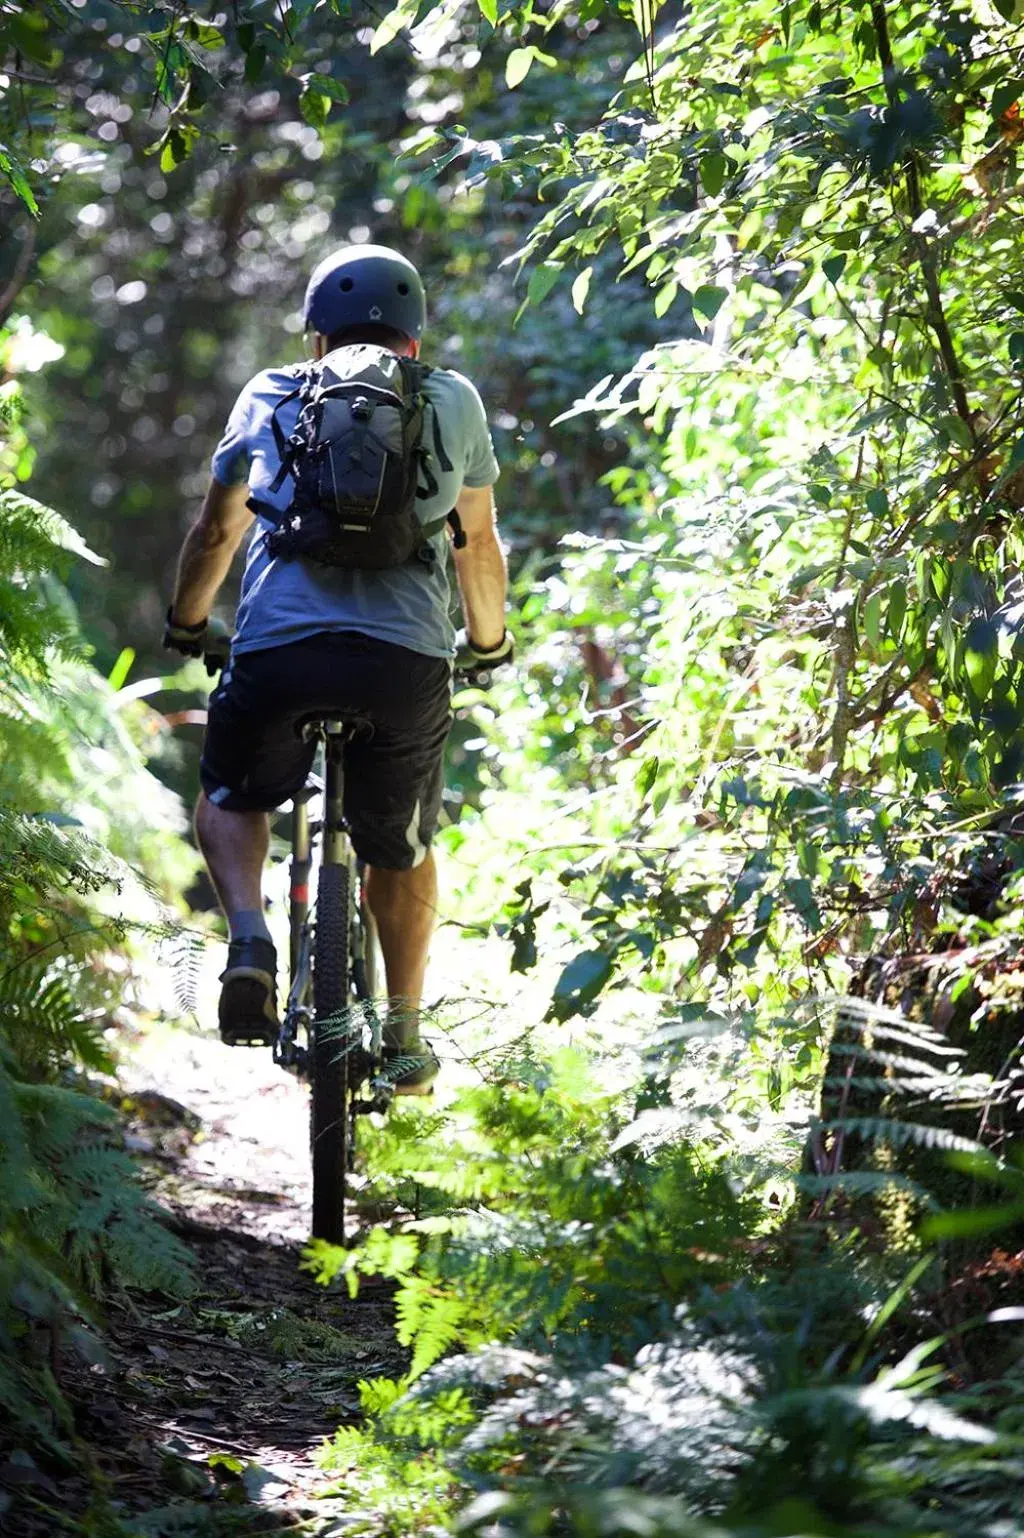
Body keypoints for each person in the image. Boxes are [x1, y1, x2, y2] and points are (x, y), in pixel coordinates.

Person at [163, 244, 512, 1094]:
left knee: (230, 796)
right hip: (404, 663)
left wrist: (189, 621)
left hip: (282, 651)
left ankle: (249, 939)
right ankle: (405, 1032)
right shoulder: (452, 399)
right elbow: (480, 551)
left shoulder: (273, 392)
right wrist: (488, 644)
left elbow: (217, 532)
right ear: (415, 343)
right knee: (403, 844)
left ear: (314, 336)